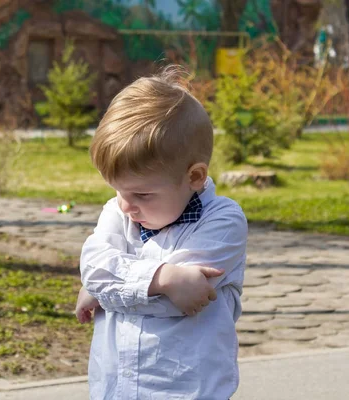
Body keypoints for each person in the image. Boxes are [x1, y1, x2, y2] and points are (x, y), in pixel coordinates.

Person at [75, 66, 248, 400]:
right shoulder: (120, 209)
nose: (126, 206)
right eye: (118, 191)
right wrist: (164, 278)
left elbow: (181, 302)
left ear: (195, 177)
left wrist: (107, 290)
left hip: (188, 390)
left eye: (142, 195)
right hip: (115, 388)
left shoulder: (223, 221)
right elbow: (94, 267)